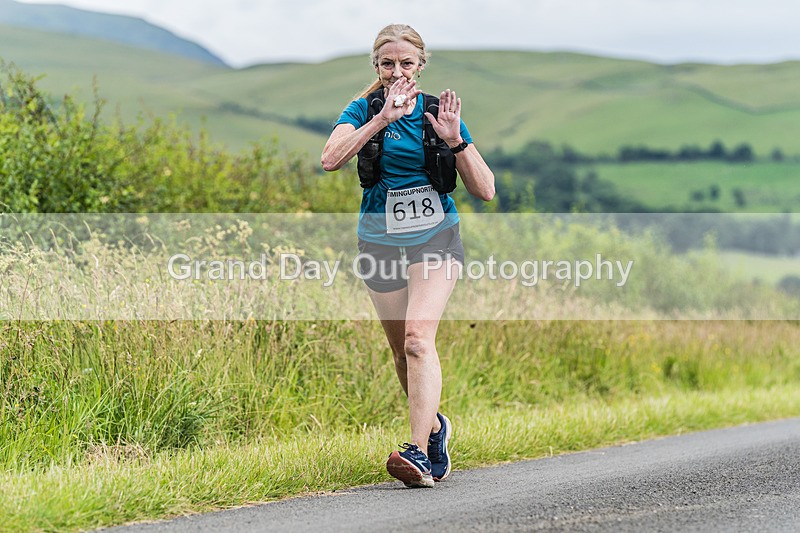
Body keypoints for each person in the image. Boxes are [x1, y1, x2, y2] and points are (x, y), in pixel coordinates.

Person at [321, 23, 494, 488]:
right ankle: (436, 429)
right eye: (386, 63)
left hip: (435, 236)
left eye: (406, 63)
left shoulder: (439, 111)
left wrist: (456, 140)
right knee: (402, 353)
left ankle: (417, 453)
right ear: (376, 67)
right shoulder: (363, 109)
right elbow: (330, 158)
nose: (396, 71)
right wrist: (380, 121)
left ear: (421, 66)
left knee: (419, 338)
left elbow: (486, 190)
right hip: (378, 241)